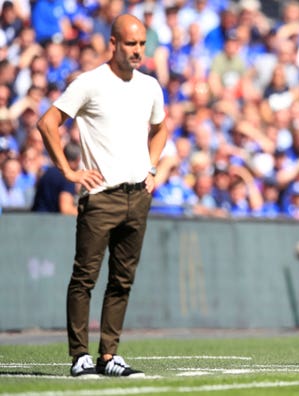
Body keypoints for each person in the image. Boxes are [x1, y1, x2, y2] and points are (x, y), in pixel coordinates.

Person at [36, 14, 168, 377]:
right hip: (101, 196)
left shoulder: (149, 87)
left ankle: (109, 355)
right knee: (85, 277)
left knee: (122, 280)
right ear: (113, 44)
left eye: (141, 44)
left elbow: (161, 129)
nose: (138, 50)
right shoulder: (89, 83)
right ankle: (79, 355)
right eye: (130, 43)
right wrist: (68, 171)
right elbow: (47, 123)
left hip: (137, 195)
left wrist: (152, 167)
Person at [31, 142, 80, 215]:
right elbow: (66, 210)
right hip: (50, 222)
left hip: (35, 218)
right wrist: (87, 213)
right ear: (78, 160)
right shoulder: (68, 177)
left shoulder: (49, 171)